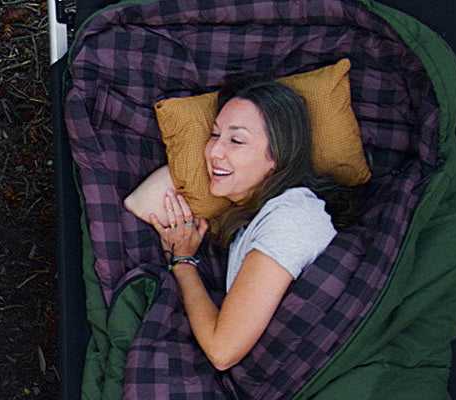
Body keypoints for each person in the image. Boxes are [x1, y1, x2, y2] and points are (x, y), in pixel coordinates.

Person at [150, 80, 353, 371]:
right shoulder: (257, 216)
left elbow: (222, 351)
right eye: (214, 134)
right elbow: (138, 204)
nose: (213, 152)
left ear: (276, 156)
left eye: (236, 140)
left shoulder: (292, 217)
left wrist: (182, 262)